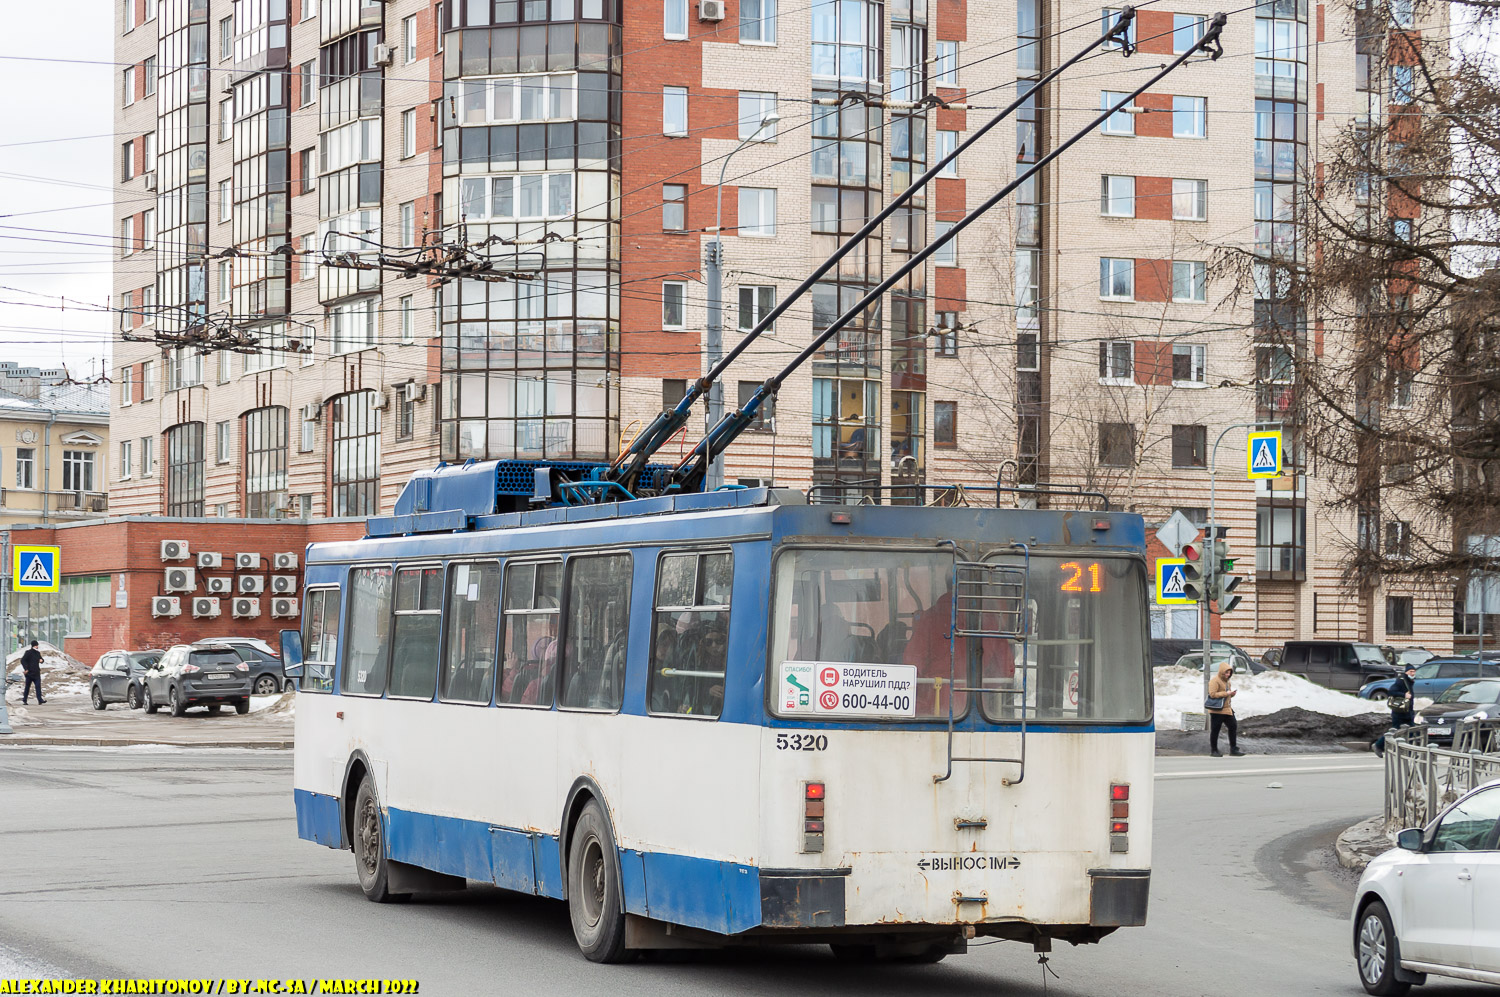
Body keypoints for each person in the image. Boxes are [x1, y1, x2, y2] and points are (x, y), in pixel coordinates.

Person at [1374, 664, 1418, 756]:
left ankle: (1409, 752)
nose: (1413, 673)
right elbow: (1391, 692)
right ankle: (1378, 745)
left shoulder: (1409, 681)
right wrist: (1404, 695)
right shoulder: (1401, 681)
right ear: (1406, 672)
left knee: (1411, 732)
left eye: (1414, 671)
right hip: (1399, 713)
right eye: (1411, 671)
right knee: (1394, 731)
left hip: (1407, 713)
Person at [1207, 661, 1244, 757]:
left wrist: (1231, 695)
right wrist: (1226, 693)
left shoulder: (1228, 682)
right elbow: (1212, 694)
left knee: (1233, 726)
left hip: (1227, 709)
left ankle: (1233, 749)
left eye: (1229, 673)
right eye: (1226, 672)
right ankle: (1214, 750)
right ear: (1221, 672)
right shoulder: (1214, 681)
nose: (1228, 674)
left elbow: (1227, 696)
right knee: (1215, 730)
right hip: (1217, 710)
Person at [20, 640, 44, 705]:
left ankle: (40, 700)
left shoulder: (37, 653)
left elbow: (41, 659)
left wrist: (41, 661)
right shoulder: (28, 652)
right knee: (27, 687)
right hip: (29, 673)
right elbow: (23, 660)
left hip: (36, 673)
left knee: (38, 686)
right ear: (34, 645)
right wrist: (26, 668)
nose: (37, 646)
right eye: (36, 645)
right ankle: (25, 700)